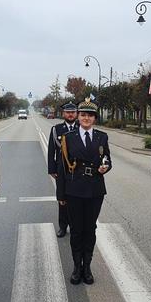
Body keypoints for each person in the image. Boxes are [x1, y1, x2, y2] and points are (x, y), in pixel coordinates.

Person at [56, 98, 111, 285]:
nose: (86, 118)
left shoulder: (101, 137)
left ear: (95, 118)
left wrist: (106, 166)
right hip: (74, 189)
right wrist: (61, 195)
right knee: (77, 230)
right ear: (78, 117)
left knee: (90, 229)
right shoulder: (68, 138)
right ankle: (76, 267)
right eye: (83, 115)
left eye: (90, 115)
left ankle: (87, 266)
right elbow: (62, 167)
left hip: (95, 189)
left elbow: (106, 159)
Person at [47, 102, 78, 238]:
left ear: (76, 113)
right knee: (62, 198)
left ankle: (75, 225)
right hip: (61, 169)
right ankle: (62, 226)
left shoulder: (81, 127)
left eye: (73, 112)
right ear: (63, 113)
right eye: (68, 112)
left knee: (76, 198)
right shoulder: (56, 129)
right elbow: (51, 151)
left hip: (78, 169)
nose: (70, 114)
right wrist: (52, 169)